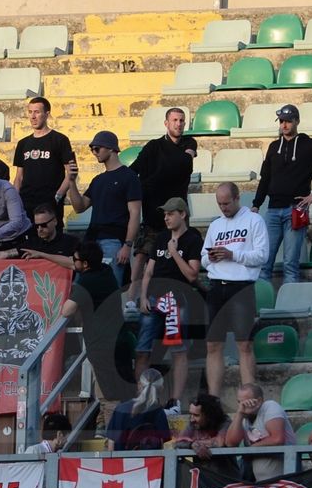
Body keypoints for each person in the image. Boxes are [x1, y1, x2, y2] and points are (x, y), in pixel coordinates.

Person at [251, 104, 312, 284]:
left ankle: (288, 305)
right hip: (273, 210)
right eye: (282, 121)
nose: (284, 125)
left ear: (297, 121)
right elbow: (265, 178)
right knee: (264, 263)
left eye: (288, 121)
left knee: (290, 264)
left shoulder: (309, 145)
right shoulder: (273, 146)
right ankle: (262, 305)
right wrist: (256, 204)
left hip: (296, 209)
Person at [201, 182, 269, 397]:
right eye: (220, 204)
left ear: (238, 198)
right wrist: (210, 258)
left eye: (227, 203)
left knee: (244, 344)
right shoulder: (215, 225)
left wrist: (232, 254)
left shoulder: (254, 221)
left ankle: (249, 397)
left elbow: (262, 255)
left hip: (241, 287)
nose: (224, 208)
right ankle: (213, 398)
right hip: (216, 286)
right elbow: (203, 258)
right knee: (213, 345)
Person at [130, 107, 198, 316]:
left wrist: (154, 177)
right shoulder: (153, 146)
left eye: (182, 121)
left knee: (181, 257)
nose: (179, 124)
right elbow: (134, 169)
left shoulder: (189, 142)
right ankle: (132, 299)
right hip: (153, 213)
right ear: (166, 123)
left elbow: (184, 165)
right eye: (175, 120)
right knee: (142, 257)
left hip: (177, 214)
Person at [62, 242, 135, 428]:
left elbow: (67, 311)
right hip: (121, 340)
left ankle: (113, 441)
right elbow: (72, 264)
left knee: (110, 396)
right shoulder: (106, 270)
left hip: (103, 346)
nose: (73, 262)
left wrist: (73, 290)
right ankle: (104, 426)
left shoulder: (86, 282)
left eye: (75, 260)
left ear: (85, 265)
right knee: (120, 391)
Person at [136, 197, 203, 402]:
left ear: (182, 214)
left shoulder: (193, 238)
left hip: (177, 300)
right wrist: (143, 296)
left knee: (178, 351)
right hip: (154, 298)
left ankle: (175, 400)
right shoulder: (161, 237)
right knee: (142, 349)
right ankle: (141, 397)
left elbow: (192, 275)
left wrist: (174, 253)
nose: (166, 217)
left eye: (170, 213)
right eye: (165, 214)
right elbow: (148, 271)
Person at [66, 130, 142, 288]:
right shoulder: (98, 180)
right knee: (82, 290)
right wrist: (71, 182)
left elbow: (135, 214)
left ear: (111, 148)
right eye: (92, 149)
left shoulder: (129, 176)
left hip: (114, 240)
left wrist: (127, 245)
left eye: (97, 148)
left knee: (110, 288)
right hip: (92, 240)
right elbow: (80, 207)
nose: (94, 153)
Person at [13, 97, 75, 219]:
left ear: (47, 114)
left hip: (50, 203)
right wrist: (15, 201)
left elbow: (71, 173)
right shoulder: (23, 143)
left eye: (37, 112)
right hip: (26, 204)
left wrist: (57, 197)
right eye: (30, 112)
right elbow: (19, 177)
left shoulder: (60, 140)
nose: (33, 116)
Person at [225, 383, 296, 482]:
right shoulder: (243, 417)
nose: (242, 406)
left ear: (259, 401)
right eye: (239, 402)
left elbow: (277, 439)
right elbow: (230, 443)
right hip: (260, 484)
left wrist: (251, 449)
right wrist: (240, 413)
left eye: (246, 402)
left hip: (284, 480)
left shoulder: (270, 407)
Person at [174, 392, 239, 478]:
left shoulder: (225, 421)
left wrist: (196, 443)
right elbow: (178, 442)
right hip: (203, 480)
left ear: (209, 415)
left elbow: (219, 442)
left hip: (225, 479)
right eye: (191, 414)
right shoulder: (193, 423)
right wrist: (192, 445)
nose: (192, 419)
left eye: (196, 415)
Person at [106, 369, 172, 451]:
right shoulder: (158, 412)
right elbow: (164, 445)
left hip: (122, 462)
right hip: (150, 463)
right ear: (161, 388)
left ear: (139, 384)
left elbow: (111, 444)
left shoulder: (121, 409)